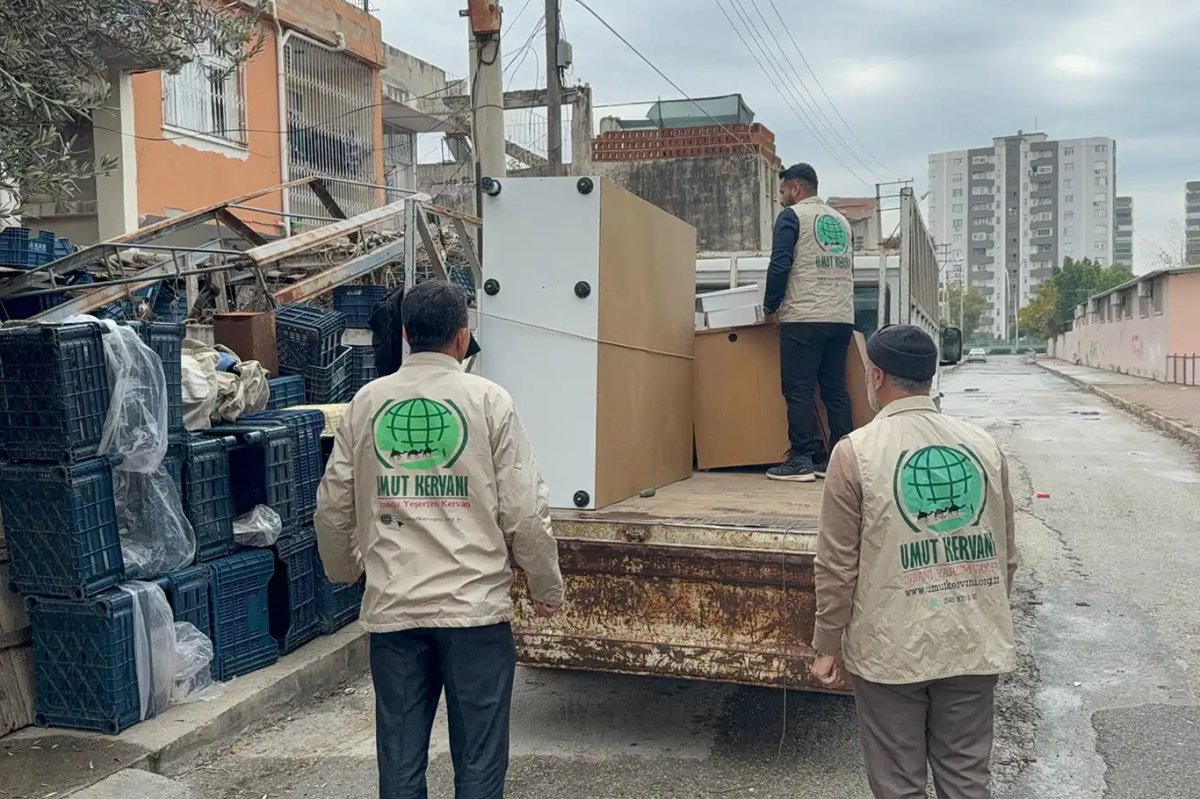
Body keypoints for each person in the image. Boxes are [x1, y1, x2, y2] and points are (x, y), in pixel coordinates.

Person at [315, 279, 564, 799]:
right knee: (479, 762)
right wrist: (545, 587)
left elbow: (333, 502)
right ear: (461, 337)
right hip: (474, 614)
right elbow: (525, 509)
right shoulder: (489, 401)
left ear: (406, 335)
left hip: (395, 612)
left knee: (400, 764)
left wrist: (345, 569)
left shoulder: (367, 402)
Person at [809, 324, 1018, 799]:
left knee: (898, 784)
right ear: (930, 374)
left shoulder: (855, 452)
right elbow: (1006, 554)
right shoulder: (984, 445)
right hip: (973, 640)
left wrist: (827, 643)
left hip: (891, 649)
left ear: (876, 376)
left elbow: (838, 565)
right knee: (967, 777)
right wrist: (981, 612)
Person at [762, 162, 856, 482]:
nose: (781, 197)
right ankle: (841, 459)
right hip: (841, 317)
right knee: (835, 390)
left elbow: (780, 264)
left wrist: (770, 307)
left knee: (798, 389)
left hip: (804, 317)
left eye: (783, 191)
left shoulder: (792, 217)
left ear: (796, 189)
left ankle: (801, 458)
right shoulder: (841, 221)